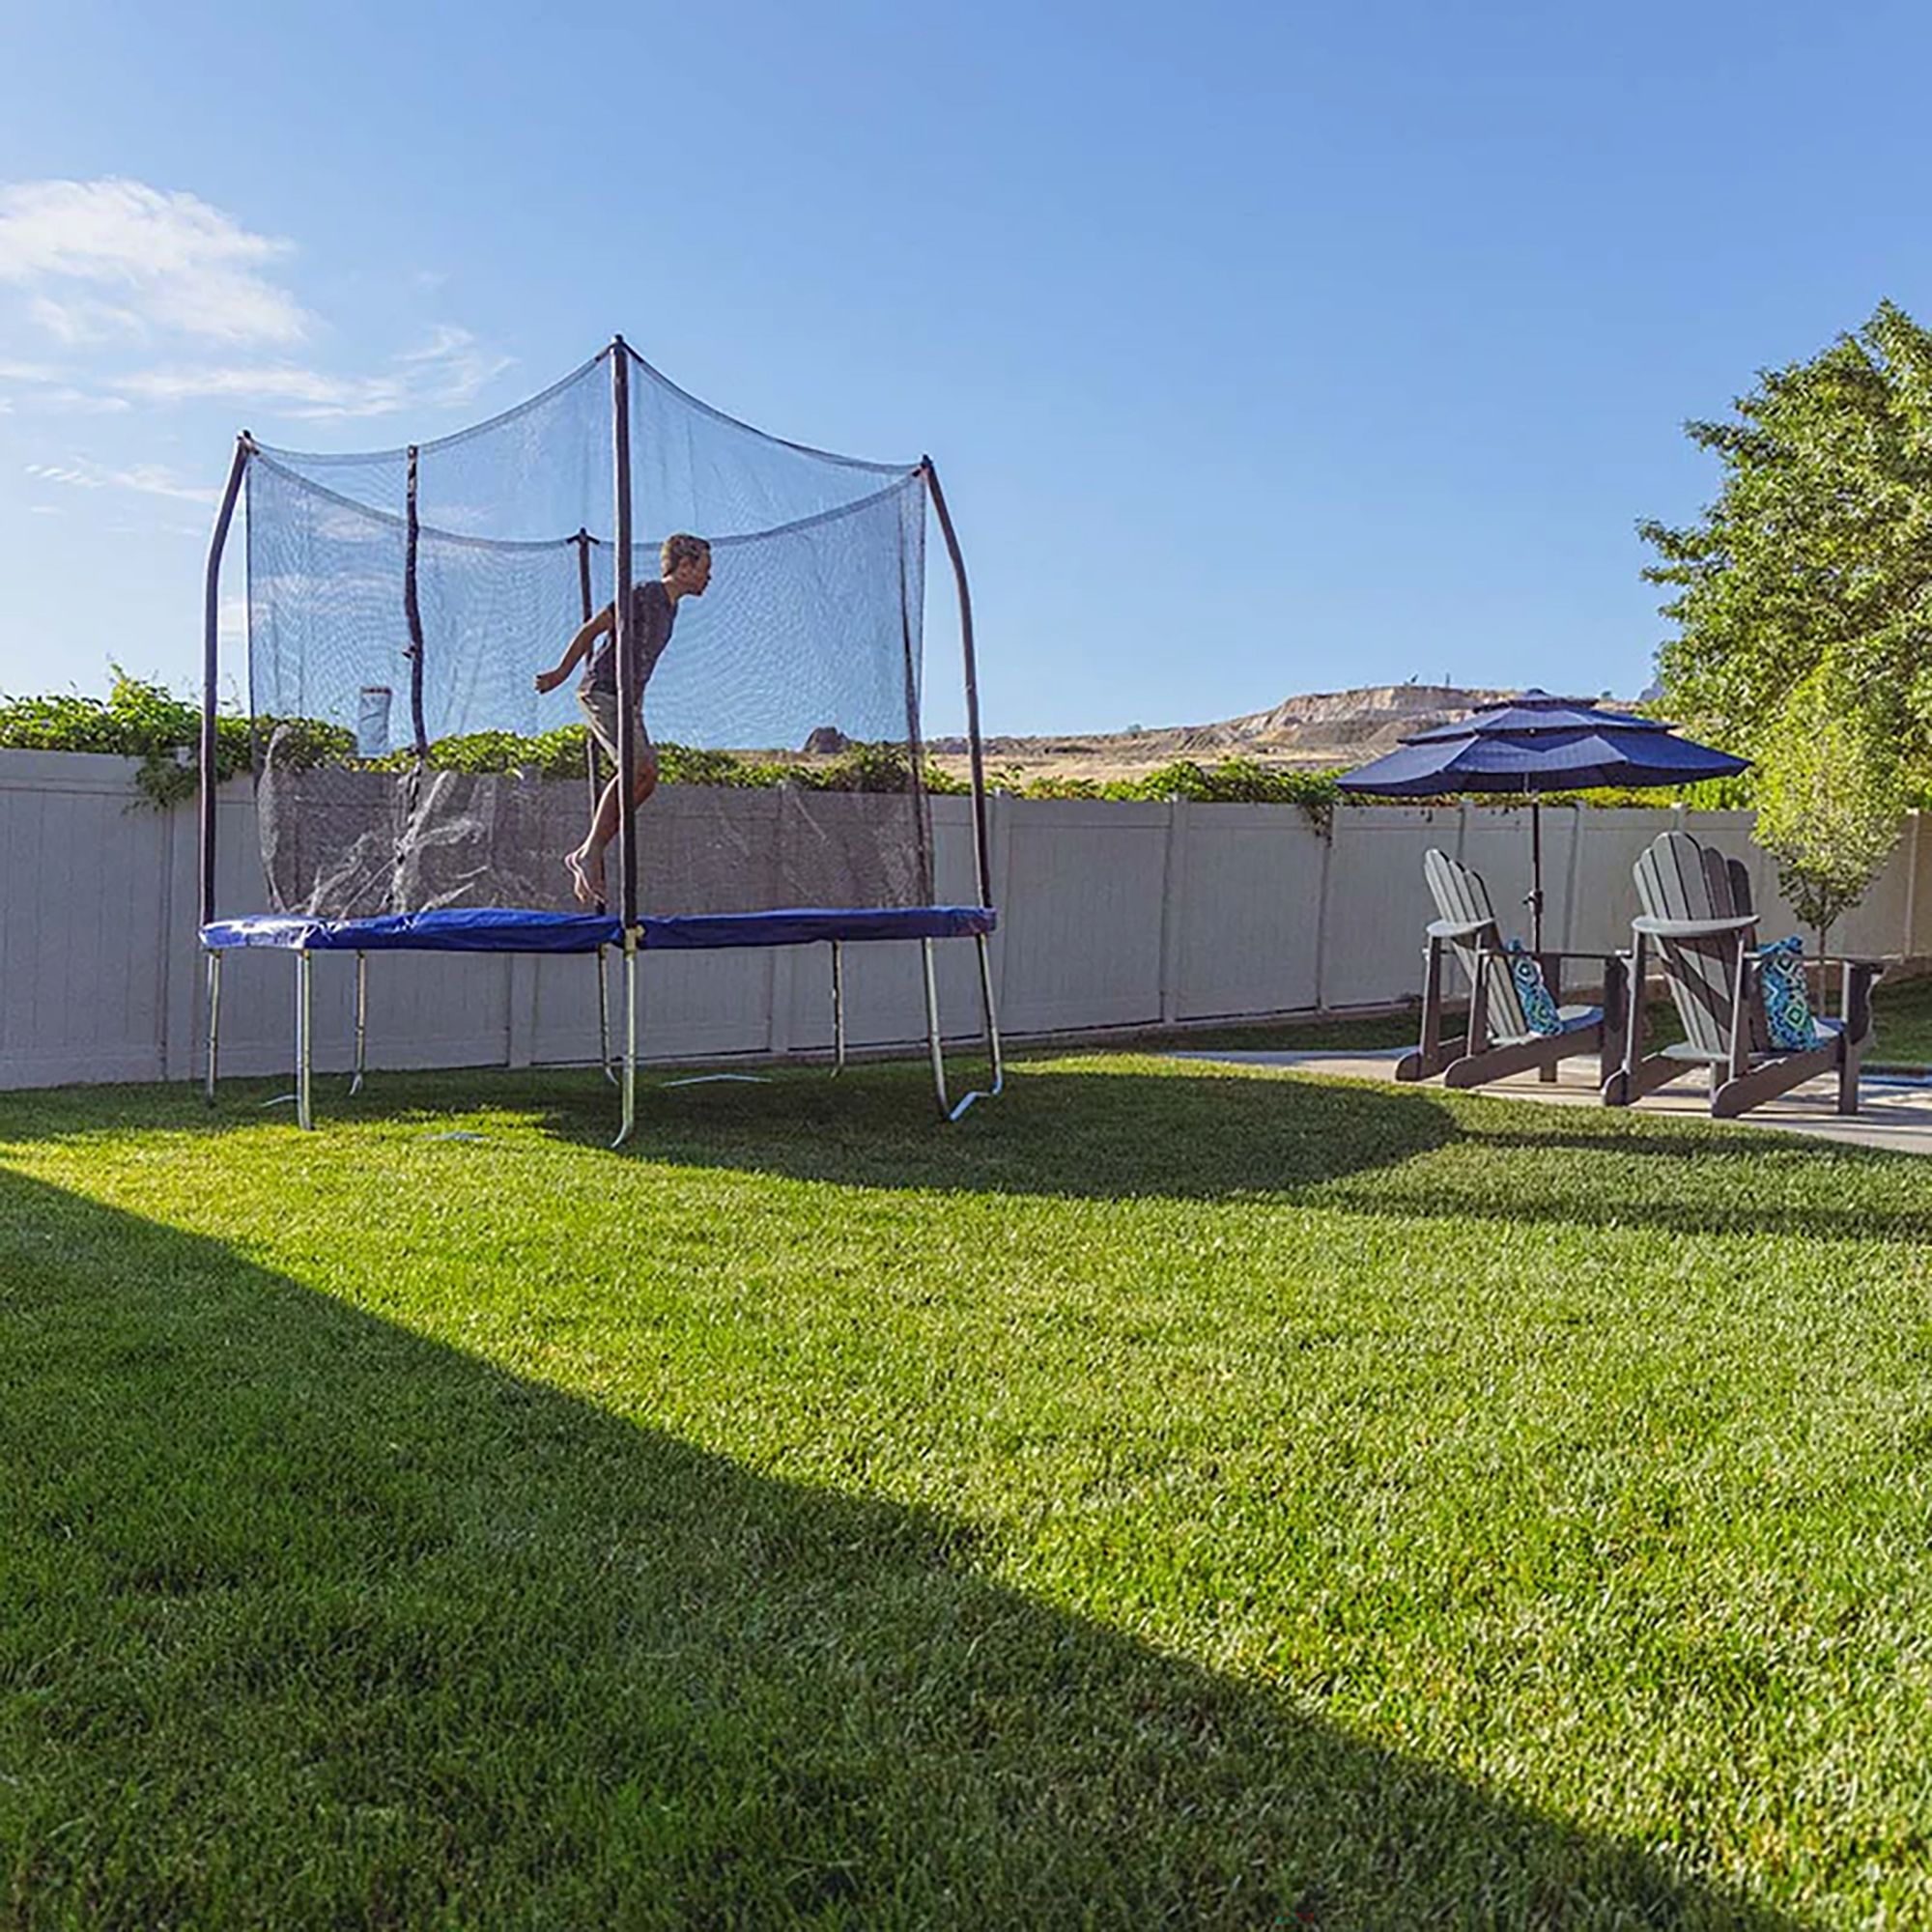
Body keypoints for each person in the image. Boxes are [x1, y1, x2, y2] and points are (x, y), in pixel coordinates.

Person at [535, 532, 711, 906]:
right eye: (704, 569)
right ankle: (590, 851)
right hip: (602, 690)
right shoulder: (646, 594)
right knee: (637, 767)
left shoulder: (671, 608)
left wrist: (637, 707)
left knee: (647, 778)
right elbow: (592, 630)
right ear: (683, 567)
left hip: (627, 702)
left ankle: (589, 848)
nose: (708, 577)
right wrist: (560, 673)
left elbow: (641, 660)